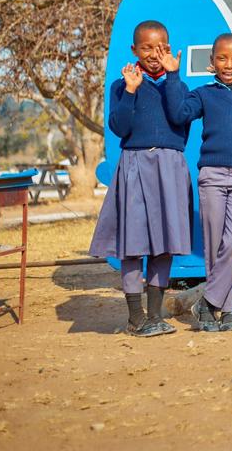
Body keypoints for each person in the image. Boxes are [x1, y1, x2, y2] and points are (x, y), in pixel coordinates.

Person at [161, 33, 232, 332]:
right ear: (211, 62)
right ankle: (226, 311)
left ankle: (206, 302)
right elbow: (178, 113)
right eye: (222, 58)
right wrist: (172, 75)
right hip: (211, 176)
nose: (229, 64)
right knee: (215, 248)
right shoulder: (204, 94)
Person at [89, 20, 191, 337]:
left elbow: (179, 117)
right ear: (134, 50)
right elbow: (120, 127)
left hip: (170, 168)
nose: (153, 54)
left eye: (160, 47)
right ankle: (136, 318)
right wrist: (131, 91)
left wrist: (172, 75)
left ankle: (155, 314)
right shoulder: (123, 86)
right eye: (146, 47)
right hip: (134, 164)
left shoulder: (178, 85)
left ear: (169, 49)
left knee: (165, 245)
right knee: (132, 245)